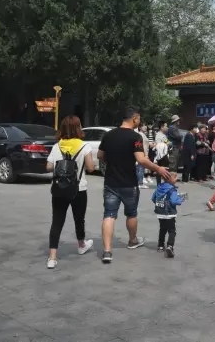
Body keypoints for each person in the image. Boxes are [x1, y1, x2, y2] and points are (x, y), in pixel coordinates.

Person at [98, 106, 170, 264]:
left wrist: (113, 162)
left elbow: (100, 155)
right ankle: (132, 240)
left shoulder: (108, 135)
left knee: (109, 215)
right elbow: (141, 159)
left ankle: (107, 251)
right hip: (129, 183)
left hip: (110, 182)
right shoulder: (135, 137)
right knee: (131, 214)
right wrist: (158, 168)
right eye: (139, 119)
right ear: (134, 119)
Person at [45, 116, 95, 269]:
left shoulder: (57, 146)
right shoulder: (84, 146)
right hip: (79, 189)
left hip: (59, 188)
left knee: (57, 221)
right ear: (78, 128)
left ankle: (52, 257)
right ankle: (81, 245)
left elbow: (48, 167)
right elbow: (91, 168)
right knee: (79, 219)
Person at [152, 171, 186, 258]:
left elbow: (153, 198)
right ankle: (170, 246)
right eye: (175, 178)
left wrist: (160, 203)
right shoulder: (172, 190)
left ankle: (160, 246)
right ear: (170, 179)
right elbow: (174, 201)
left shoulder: (159, 187)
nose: (176, 179)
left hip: (160, 212)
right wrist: (180, 200)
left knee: (162, 229)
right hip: (170, 213)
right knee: (172, 230)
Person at [153, 121, 170, 185]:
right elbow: (158, 146)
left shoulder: (164, 135)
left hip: (165, 155)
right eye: (166, 126)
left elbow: (166, 143)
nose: (167, 128)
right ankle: (159, 184)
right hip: (161, 156)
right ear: (162, 127)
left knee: (165, 170)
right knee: (160, 170)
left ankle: (164, 184)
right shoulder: (158, 135)